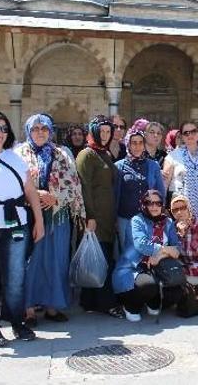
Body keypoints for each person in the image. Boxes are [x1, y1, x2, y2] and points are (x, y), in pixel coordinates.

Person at [0, 111, 45, 347]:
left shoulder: (16, 158)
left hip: (17, 224)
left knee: (15, 277)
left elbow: (31, 193)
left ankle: (17, 322)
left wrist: (39, 221)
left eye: (3, 128)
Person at [16, 114, 85, 327]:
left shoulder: (62, 153)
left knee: (57, 260)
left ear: (50, 131)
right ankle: (27, 310)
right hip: (28, 214)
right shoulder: (18, 154)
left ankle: (52, 306)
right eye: (35, 128)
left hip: (57, 214)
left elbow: (73, 183)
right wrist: (36, 193)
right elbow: (14, 183)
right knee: (30, 261)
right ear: (28, 130)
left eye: (44, 128)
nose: (40, 132)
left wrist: (55, 197)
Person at [75, 115, 123, 318]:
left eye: (107, 132)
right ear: (94, 132)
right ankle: (107, 303)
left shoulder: (103, 154)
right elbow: (84, 187)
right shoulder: (87, 155)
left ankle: (89, 301)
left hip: (106, 215)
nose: (105, 135)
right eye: (101, 131)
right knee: (102, 260)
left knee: (98, 256)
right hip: (94, 217)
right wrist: (90, 217)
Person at [112, 190, 183, 322]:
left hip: (159, 266)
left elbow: (177, 248)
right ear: (143, 205)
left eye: (158, 203)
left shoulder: (167, 222)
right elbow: (142, 245)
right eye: (149, 203)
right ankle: (130, 306)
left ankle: (152, 301)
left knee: (177, 291)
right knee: (148, 286)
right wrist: (164, 249)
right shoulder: (137, 220)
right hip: (135, 267)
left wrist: (159, 256)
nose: (154, 206)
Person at [115, 129, 165, 252]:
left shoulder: (153, 165)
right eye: (134, 143)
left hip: (148, 219)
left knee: (146, 253)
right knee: (128, 254)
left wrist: (160, 214)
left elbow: (160, 192)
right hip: (125, 219)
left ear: (144, 144)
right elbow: (115, 195)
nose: (137, 146)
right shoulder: (118, 166)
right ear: (128, 144)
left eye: (140, 143)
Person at [163, 120, 198, 222]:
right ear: (182, 137)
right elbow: (164, 185)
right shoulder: (172, 156)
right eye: (186, 133)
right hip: (179, 208)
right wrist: (163, 207)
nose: (190, 135)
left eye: (193, 131)